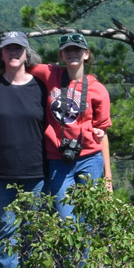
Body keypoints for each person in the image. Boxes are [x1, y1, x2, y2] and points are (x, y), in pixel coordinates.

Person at [0, 30, 47, 268]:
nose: (14, 52)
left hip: (34, 173)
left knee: (33, 234)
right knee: (5, 233)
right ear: (1, 54)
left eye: (18, 48)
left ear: (27, 53)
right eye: (8, 48)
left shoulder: (41, 87)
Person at [35, 32, 113, 219]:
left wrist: (108, 179)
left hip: (90, 159)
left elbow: (102, 134)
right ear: (61, 55)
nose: (72, 54)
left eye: (77, 50)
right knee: (66, 220)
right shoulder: (50, 74)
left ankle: (84, 250)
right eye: (67, 50)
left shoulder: (97, 90)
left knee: (87, 219)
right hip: (58, 158)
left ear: (86, 54)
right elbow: (18, 64)